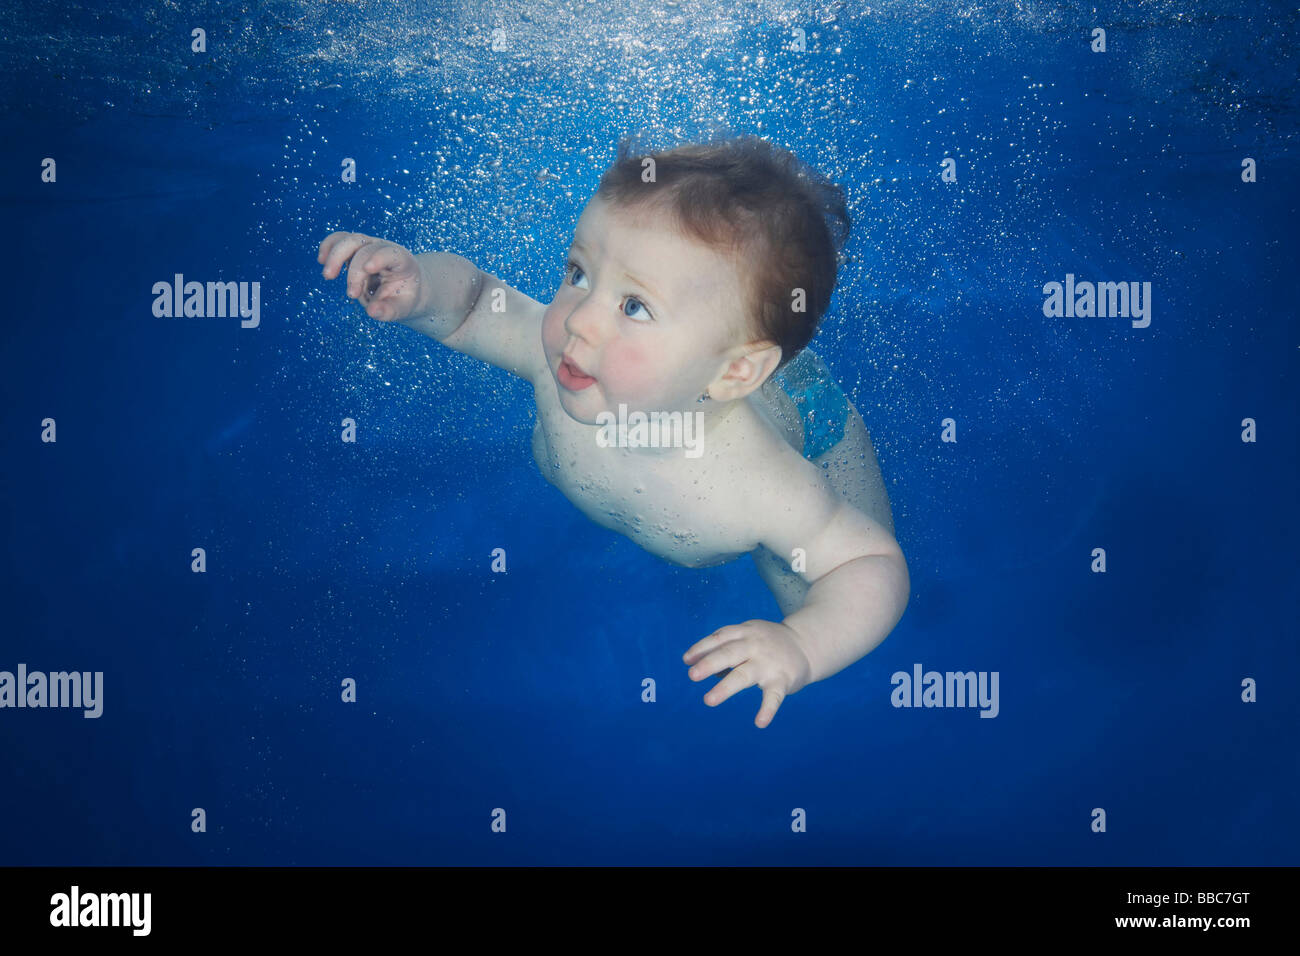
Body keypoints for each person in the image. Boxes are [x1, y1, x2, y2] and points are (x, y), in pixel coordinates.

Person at [317, 134, 909, 728]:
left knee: (803, 581)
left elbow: (872, 563)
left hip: (812, 414)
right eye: (578, 272)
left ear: (734, 370)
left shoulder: (762, 483)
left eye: (634, 307)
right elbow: (474, 304)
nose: (580, 320)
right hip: (730, 365)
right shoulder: (563, 360)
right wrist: (419, 285)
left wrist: (802, 646)